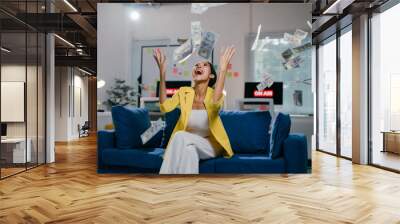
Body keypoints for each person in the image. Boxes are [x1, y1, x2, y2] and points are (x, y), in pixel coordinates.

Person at [153, 46, 236, 174]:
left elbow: (214, 104)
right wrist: (162, 72)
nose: (199, 66)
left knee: (179, 135)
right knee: (189, 152)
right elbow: (165, 107)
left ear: (211, 75)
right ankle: (188, 190)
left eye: (204, 65)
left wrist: (223, 69)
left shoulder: (215, 94)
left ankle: (163, 182)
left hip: (210, 145)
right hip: (188, 143)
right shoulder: (184, 92)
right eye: (196, 65)